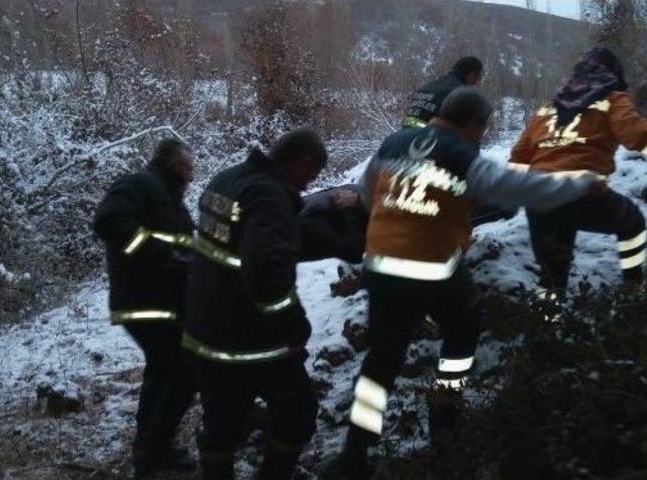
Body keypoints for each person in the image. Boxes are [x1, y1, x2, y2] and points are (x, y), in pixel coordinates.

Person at [320, 87, 602, 479]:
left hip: (382, 269)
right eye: (481, 130)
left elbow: (369, 199)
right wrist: (580, 184)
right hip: (431, 269)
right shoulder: (462, 154)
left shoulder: (393, 144)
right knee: (464, 330)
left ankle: (354, 454)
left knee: (382, 360)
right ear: (474, 124)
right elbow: (519, 188)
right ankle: (445, 416)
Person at [182, 129, 328, 480]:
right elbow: (266, 275)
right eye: (311, 176)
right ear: (302, 162)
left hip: (203, 328)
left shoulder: (226, 179)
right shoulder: (269, 197)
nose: (307, 186)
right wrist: (294, 326)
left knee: (221, 422)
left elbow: (232, 245)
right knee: (297, 413)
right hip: (249, 339)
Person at [509, 47, 647, 301]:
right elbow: (640, 135)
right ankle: (634, 290)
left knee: (552, 277)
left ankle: (546, 320)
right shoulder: (611, 98)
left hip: (539, 197)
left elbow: (520, 155)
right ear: (613, 72)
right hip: (581, 193)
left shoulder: (548, 108)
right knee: (632, 223)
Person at [93, 138, 198, 477]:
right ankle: (153, 449)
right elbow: (107, 221)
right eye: (188, 167)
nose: (191, 175)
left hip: (165, 303)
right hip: (144, 301)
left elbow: (181, 248)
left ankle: (151, 448)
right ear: (173, 164)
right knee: (183, 371)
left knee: (163, 371)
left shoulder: (171, 200)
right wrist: (160, 254)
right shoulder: (139, 184)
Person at [402, 56, 484, 129]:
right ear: (471, 76)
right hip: (428, 138)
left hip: (405, 133)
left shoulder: (429, 86)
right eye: (477, 79)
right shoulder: (459, 94)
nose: (475, 84)